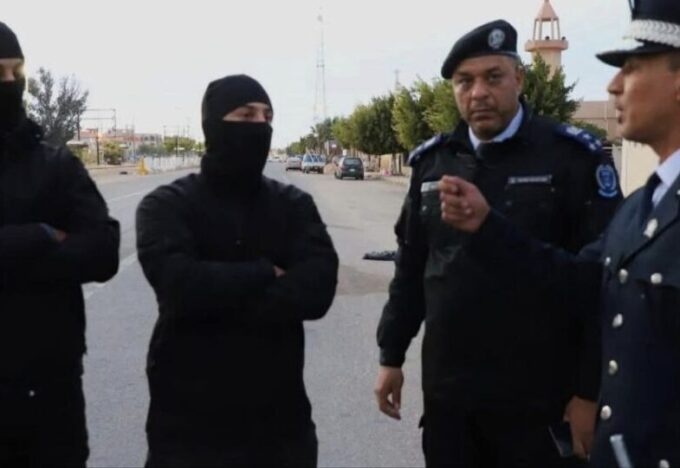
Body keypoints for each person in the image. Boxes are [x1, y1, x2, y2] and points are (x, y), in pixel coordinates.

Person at [437, 2, 680, 466]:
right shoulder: (641, 206)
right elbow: (576, 280)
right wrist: (487, 226)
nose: (612, 85)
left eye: (631, 68)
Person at [373, 19, 623, 467]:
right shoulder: (434, 162)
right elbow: (412, 268)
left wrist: (589, 391)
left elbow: (600, 286)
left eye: (493, 77)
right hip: (452, 403)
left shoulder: (570, 157)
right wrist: (391, 355)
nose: (478, 93)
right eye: (464, 82)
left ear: (519, 78)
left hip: (540, 404)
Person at [136, 74, 338, 467]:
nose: (260, 125)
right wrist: (265, 273)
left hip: (280, 428)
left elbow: (318, 290)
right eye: (246, 115)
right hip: (188, 429)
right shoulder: (167, 205)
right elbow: (179, 285)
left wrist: (215, 294)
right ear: (214, 124)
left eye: (267, 116)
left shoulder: (293, 205)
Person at [0, 22, 120, 467]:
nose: (10, 82)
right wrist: (42, 235)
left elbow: (104, 251)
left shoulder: (55, 165)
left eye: (16, 71)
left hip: (51, 395)